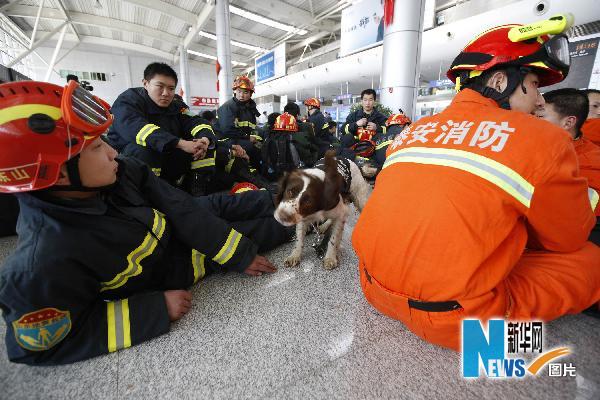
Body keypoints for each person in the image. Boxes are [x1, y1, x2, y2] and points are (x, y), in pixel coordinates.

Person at [0, 80, 292, 365]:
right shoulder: (39, 265)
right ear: (59, 173)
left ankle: (299, 193)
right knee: (262, 230)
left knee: (231, 203)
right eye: (96, 148)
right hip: (176, 262)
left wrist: (235, 251)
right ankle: (309, 219)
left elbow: (179, 206)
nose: (113, 151)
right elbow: (42, 347)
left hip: (175, 225)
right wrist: (152, 310)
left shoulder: (119, 171)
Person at [352, 20, 600, 351]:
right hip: (459, 323)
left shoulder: (414, 131)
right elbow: (566, 238)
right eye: (535, 84)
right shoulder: (545, 139)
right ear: (500, 81)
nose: (541, 101)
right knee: (589, 258)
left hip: (372, 289)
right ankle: (515, 346)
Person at [107, 63, 216, 196]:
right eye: (160, 86)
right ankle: (148, 196)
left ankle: (196, 191)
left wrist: (205, 139)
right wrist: (180, 143)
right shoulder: (128, 100)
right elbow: (136, 129)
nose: (166, 93)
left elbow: (196, 121)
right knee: (144, 150)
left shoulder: (176, 105)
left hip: (166, 154)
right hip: (128, 159)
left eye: (171, 88)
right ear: (145, 83)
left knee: (205, 148)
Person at [537, 88, 600, 244]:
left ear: (568, 122)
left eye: (540, 116)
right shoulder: (533, 144)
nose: (532, 121)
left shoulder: (592, 162)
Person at [339, 89, 389, 177]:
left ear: (374, 101)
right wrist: (356, 124)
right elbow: (343, 129)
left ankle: (377, 171)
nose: (367, 103)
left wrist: (377, 128)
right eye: (365, 100)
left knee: (381, 139)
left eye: (370, 99)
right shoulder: (353, 116)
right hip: (356, 148)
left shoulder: (381, 117)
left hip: (374, 149)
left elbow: (389, 131)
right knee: (346, 138)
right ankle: (351, 165)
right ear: (361, 101)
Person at [216, 76, 263, 169]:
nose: (241, 95)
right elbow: (227, 130)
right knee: (252, 148)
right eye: (239, 91)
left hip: (239, 138)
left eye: (245, 92)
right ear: (235, 91)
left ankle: (256, 173)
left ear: (250, 94)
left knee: (262, 147)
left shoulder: (250, 109)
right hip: (226, 141)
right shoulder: (228, 107)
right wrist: (247, 137)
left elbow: (251, 128)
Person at [283, 102, 319, 167]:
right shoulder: (306, 126)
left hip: (284, 166)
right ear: (297, 115)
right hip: (304, 165)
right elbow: (313, 143)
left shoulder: (279, 128)